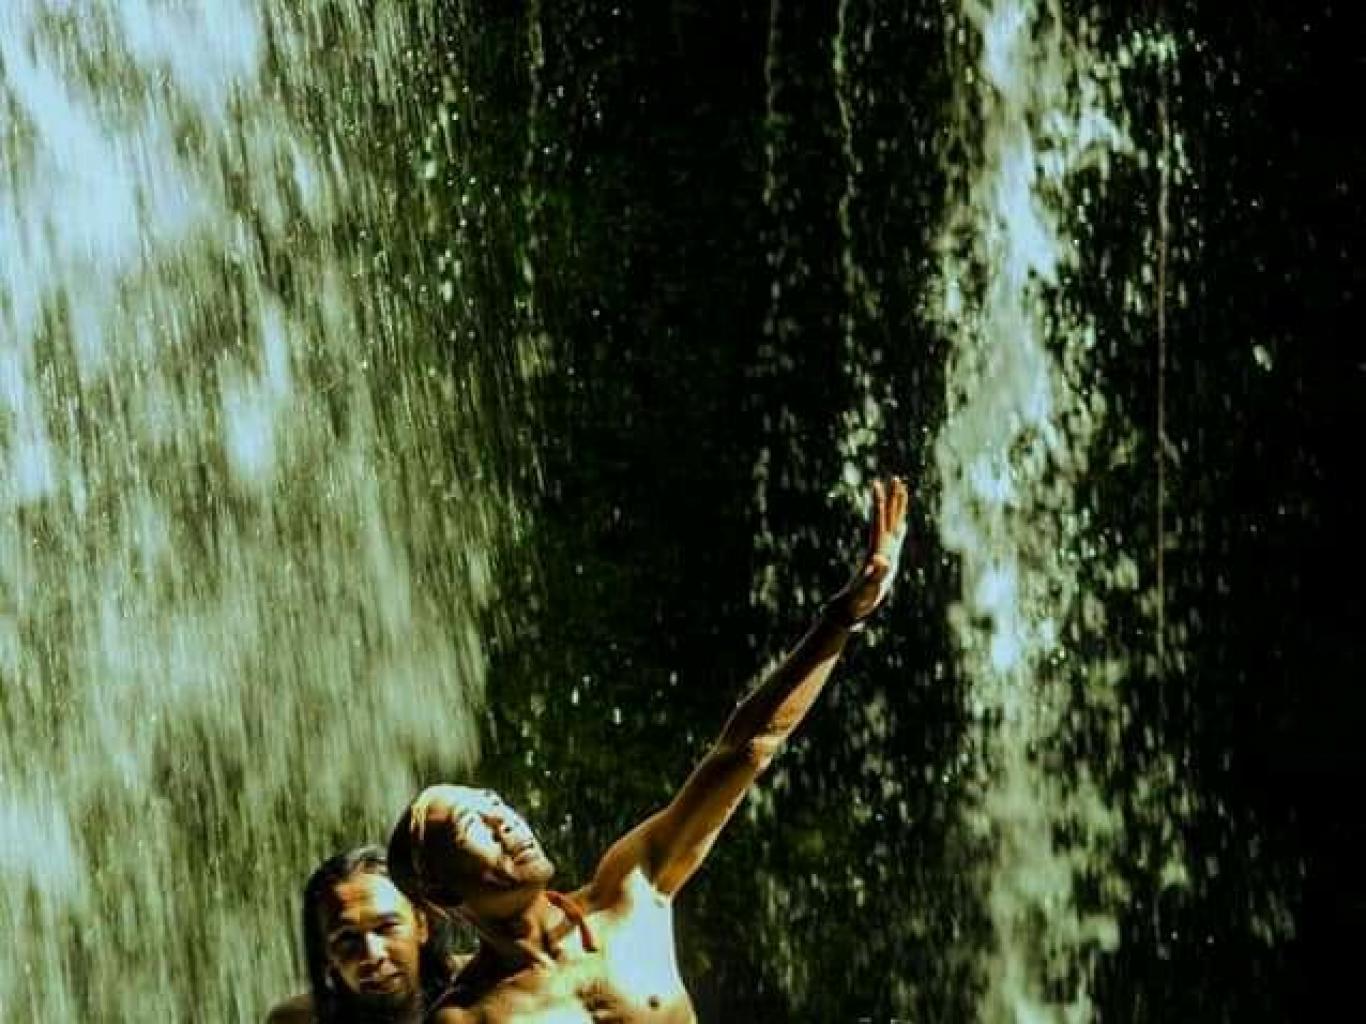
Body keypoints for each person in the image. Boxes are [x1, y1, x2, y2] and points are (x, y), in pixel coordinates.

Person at [387, 478, 910, 1022]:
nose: (505, 821)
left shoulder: (629, 890)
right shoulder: (467, 1016)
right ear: (443, 893)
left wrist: (845, 614)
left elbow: (744, 749)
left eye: (496, 803)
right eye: (472, 825)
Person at [266, 845, 468, 1023]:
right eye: (347, 937)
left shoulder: (479, 994)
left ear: (422, 925)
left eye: (386, 927)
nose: (373, 954)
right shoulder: (297, 1020)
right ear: (326, 954)